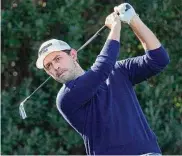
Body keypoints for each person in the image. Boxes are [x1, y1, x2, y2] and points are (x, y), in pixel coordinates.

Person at [36, 3, 169, 155]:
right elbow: (102, 68)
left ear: (73, 55)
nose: (55, 67)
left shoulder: (118, 71)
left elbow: (159, 59)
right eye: (48, 66)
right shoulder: (66, 98)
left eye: (57, 58)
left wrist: (133, 20)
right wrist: (115, 27)